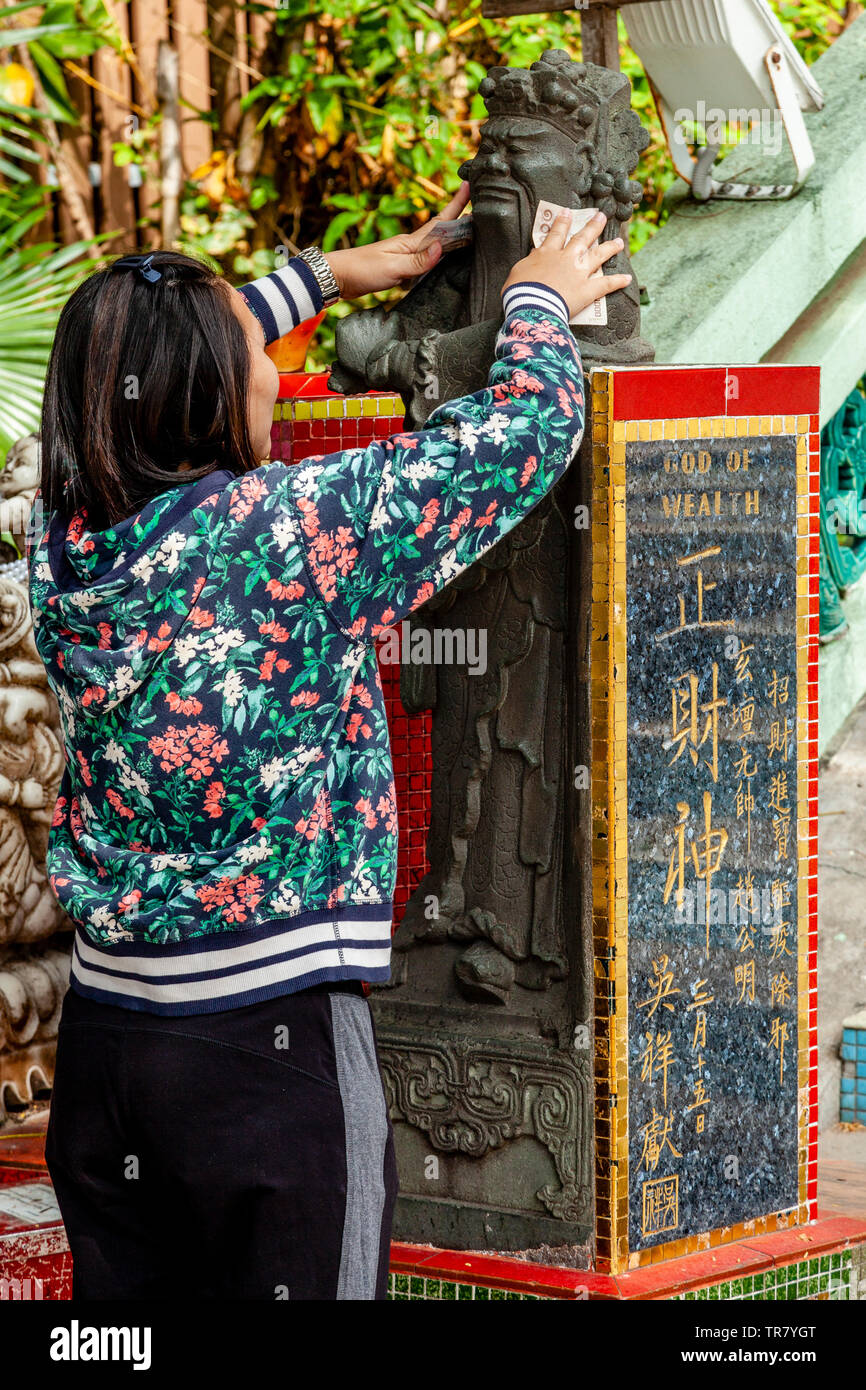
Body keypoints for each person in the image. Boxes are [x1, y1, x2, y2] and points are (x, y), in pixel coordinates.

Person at [27, 189, 630, 1300]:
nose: (269, 367)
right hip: (271, 1059)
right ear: (210, 388)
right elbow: (527, 429)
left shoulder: (58, 537)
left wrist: (330, 276)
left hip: (109, 1051)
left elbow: (151, 364)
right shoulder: (296, 535)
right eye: (246, 350)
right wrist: (534, 300)